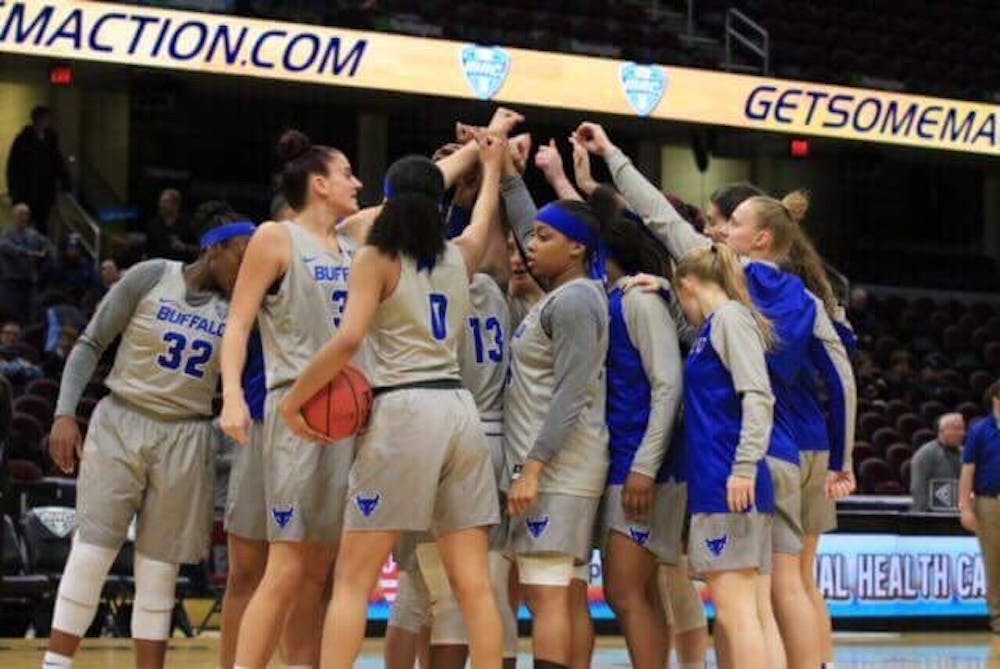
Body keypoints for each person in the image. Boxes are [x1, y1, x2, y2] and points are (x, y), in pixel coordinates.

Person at [578, 121, 856, 669]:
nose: (718, 232)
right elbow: (842, 373)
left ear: (760, 239)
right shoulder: (807, 294)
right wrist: (843, 457)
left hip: (747, 455)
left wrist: (611, 155)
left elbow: (656, 214)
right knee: (787, 591)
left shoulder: (730, 286)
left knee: (750, 603)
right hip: (804, 446)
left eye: (728, 224)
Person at [279, 130, 510, 668]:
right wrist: (493, 166)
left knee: (353, 580)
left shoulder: (375, 257)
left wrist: (295, 399)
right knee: (474, 584)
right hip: (460, 411)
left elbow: (350, 339)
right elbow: (483, 220)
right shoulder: (459, 256)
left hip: (405, 411)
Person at [42, 206, 253, 669]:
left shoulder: (243, 308)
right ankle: (55, 664)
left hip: (187, 434)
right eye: (242, 256)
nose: (249, 269)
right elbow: (91, 343)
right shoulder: (151, 275)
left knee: (159, 572)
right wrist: (64, 414)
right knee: (92, 553)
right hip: (122, 420)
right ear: (214, 248)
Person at [218, 130, 368, 668]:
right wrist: (232, 395)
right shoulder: (275, 238)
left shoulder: (353, 240)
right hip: (294, 415)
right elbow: (237, 324)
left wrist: (485, 148)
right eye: (348, 173)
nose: (358, 182)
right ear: (321, 183)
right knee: (282, 568)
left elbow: (415, 191)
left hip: (349, 416)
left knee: (319, 571)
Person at [501, 152, 610, 667]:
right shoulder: (567, 292)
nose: (530, 245)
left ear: (577, 248)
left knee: (545, 598)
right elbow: (533, 225)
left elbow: (571, 393)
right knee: (564, 594)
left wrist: (533, 469)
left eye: (544, 239)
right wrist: (507, 173)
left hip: (557, 471)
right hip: (566, 468)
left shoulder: (573, 302)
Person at [591, 185, 683, 669]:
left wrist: (644, 467)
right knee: (639, 590)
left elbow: (668, 385)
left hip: (643, 463)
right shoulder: (614, 298)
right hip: (626, 458)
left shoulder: (639, 302)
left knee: (624, 589)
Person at [673, 244, 776, 669]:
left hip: (729, 480)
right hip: (721, 479)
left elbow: (759, 396)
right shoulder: (716, 325)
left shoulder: (731, 319)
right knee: (745, 613)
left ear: (689, 285)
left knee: (738, 615)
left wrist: (744, 466)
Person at [959, 380, 1000, 636]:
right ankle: (998, 618)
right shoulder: (980, 430)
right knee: (994, 563)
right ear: (996, 398)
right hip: (989, 503)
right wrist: (965, 507)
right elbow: (968, 470)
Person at [5, 106, 70, 235]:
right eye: (45, 119)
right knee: (25, 222)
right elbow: (14, 166)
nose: (48, 122)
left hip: (44, 190)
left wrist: (65, 180)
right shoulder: (23, 140)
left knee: (42, 223)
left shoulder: (51, 139)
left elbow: (57, 161)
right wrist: (15, 192)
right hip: (27, 190)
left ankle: (40, 249)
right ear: (37, 120)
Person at [0, 202, 54, 319]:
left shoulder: (33, 234)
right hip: (11, 281)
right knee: (11, 314)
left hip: (30, 281)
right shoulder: (6, 232)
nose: (24, 217)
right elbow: (5, 246)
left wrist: (44, 252)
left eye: (26, 214)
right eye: (21, 214)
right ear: (13, 215)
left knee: (30, 314)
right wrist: (26, 253)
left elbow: (47, 245)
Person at [911, 413, 965, 511]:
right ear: (942, 431)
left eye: (962, 429)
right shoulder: (925, 454)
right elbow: (919, 489)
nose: (961, 433)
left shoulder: (965, 453)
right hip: (932, 517)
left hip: (958, 514)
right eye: (956, 429)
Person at [146, 189, 198, 262]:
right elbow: (147, 249)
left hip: (180, 267)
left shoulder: (188, 224)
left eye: (165, 202)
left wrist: (185, 247)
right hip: (158, 267)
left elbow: (200, 248)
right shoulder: (153, 224)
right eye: (160, 202)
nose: (161, 205)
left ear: (176, 204)